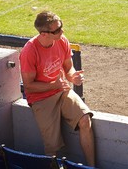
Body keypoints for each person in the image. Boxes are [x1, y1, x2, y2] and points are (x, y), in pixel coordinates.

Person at [19, 11, 95, 166]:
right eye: (57, 30)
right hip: (40, 98)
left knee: (85, 120)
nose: (62, 31)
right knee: (52, 147)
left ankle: (91, 166)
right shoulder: (29, 51)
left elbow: (68, 68)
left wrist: (73, 77)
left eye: (61, 26)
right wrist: (54, 85)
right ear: (44, 34)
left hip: (61, 90)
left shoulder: (62, 41)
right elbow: (28, 85)